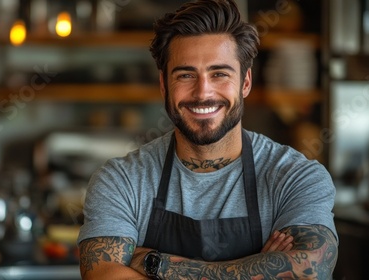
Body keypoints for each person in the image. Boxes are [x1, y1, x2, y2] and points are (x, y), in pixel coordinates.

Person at [77, 0, 338, 279]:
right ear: (164, 84)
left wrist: (158, 265)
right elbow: (104, 275)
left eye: (219, 74)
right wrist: (258, 267)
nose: (203, 92)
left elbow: (310, 271)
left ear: (245, 82)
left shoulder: (295, 177)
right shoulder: (121, 180)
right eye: (186, 75)